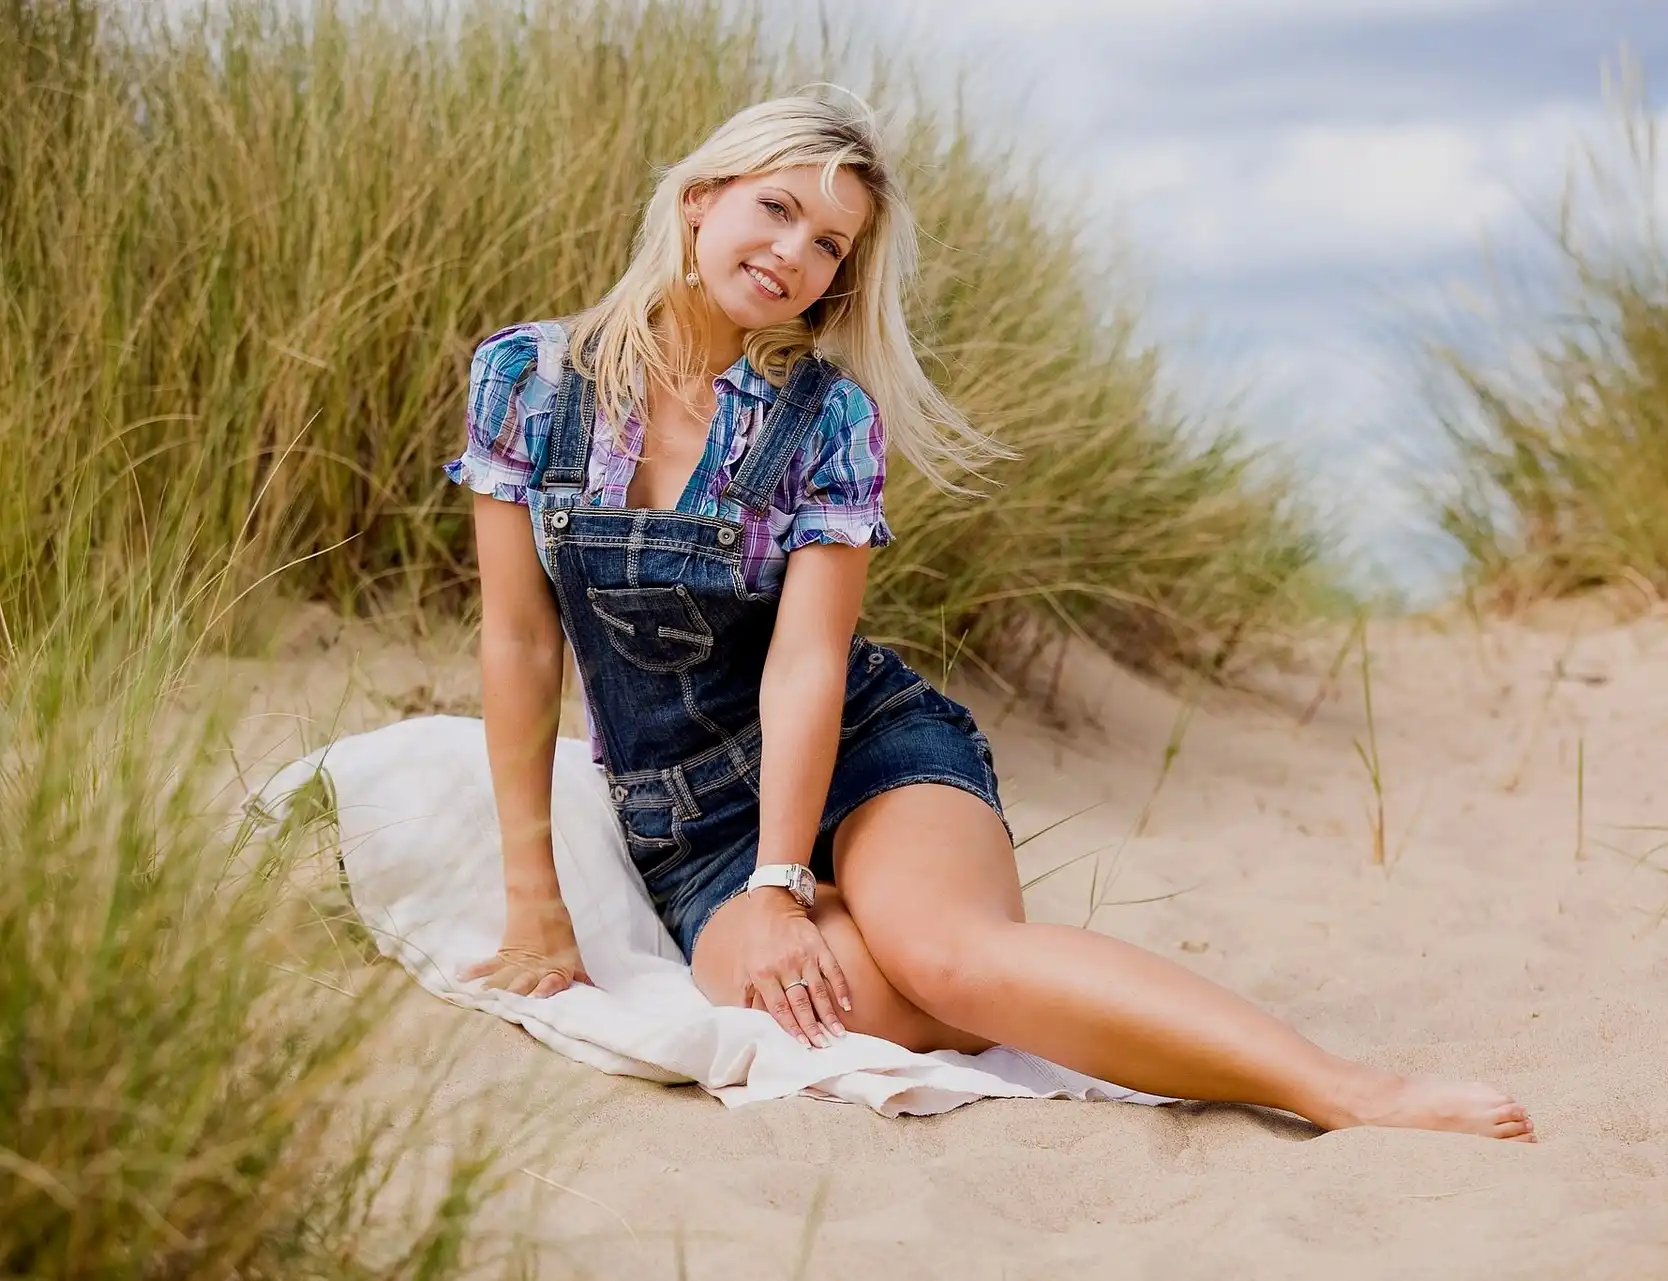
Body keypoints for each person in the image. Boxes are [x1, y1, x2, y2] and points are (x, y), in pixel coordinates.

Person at [444, 88, 1534, 1141]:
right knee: (846, 1002)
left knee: (952, 959)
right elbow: (521, 641)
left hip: (864, 749)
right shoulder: (529, 380)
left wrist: (786, 886)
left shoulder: (827, 417)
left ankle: (1340, 1089)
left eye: (829, 244)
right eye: (777, 209)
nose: (793, 253)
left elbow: (808, 665)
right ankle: (905, 924)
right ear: (701, 200)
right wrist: (534, 898)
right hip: (689, 819)